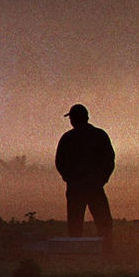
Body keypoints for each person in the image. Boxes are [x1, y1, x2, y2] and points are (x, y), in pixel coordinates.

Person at [54, 104, 115, 249]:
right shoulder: (100, 135)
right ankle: (107, 252)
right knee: (104, 222)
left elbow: (59, 162)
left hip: (75, 188)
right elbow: (109, 160)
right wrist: (101, 180)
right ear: (86, 117)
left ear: (73, 120)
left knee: (75, 224)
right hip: (95, 187)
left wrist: (69, 178)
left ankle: (76, 256)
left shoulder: (68, 138)